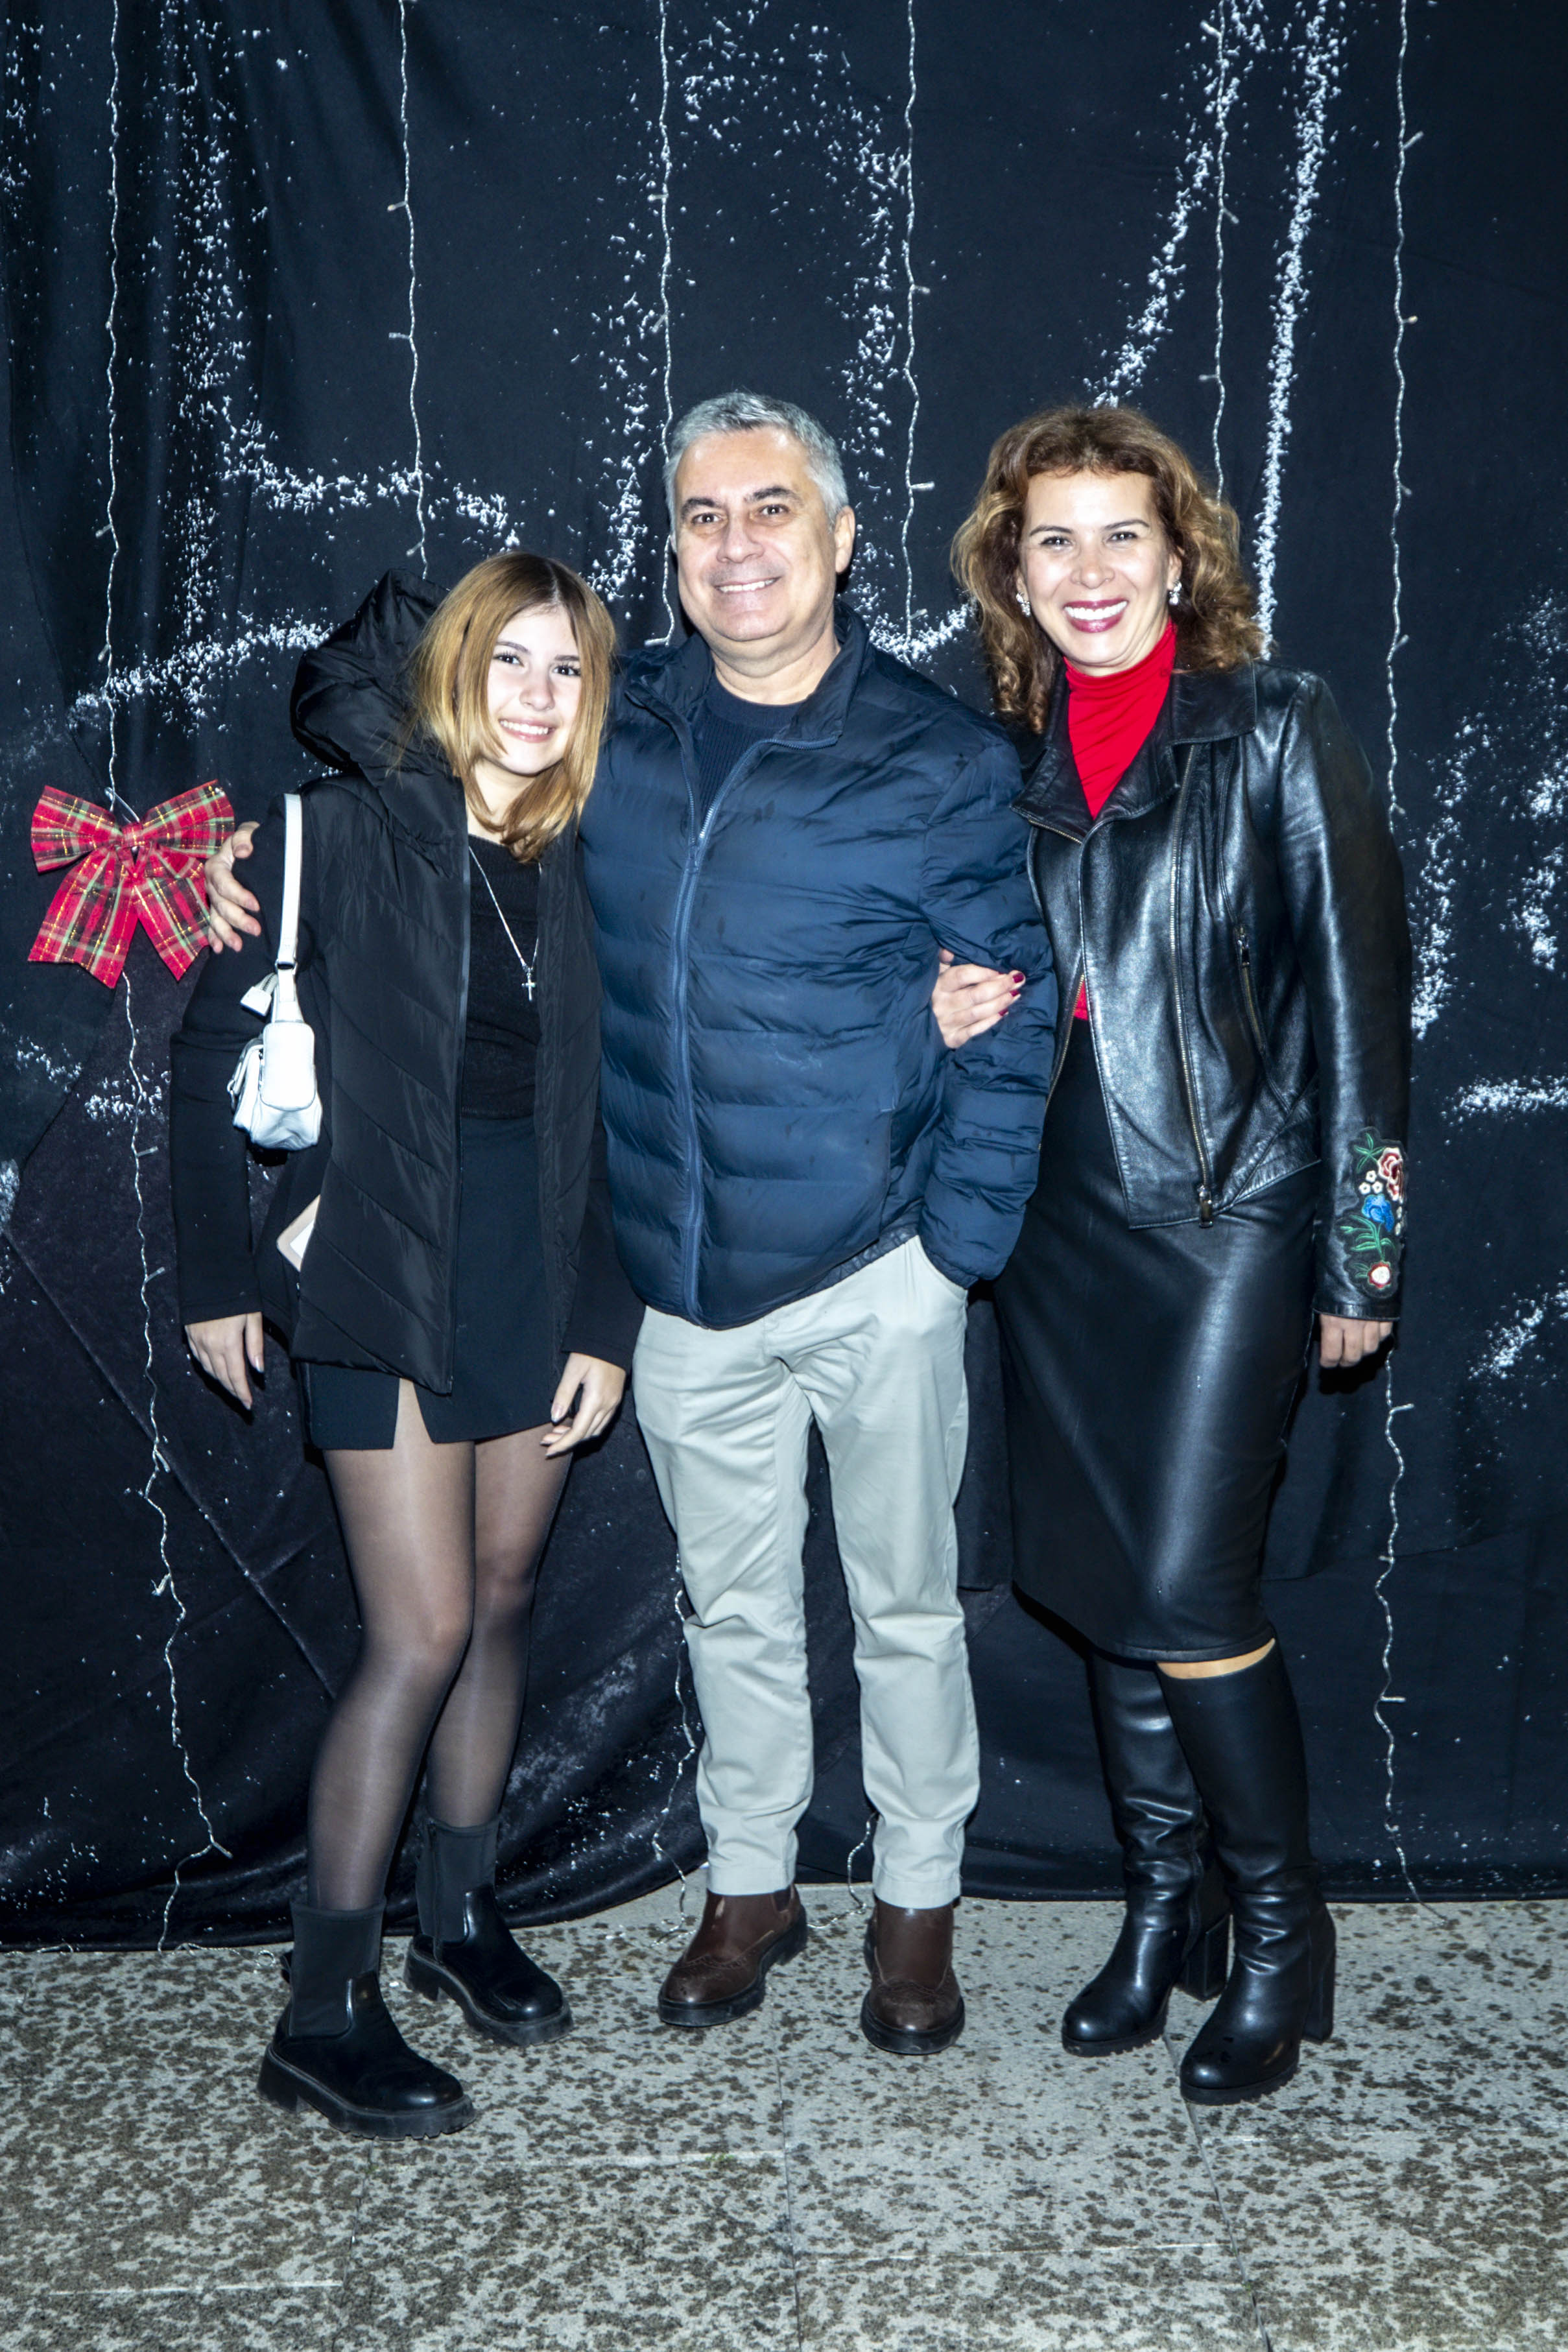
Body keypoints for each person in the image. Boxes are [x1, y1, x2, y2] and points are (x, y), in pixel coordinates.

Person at [939, 403, 1410, 2104]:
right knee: (1103, 1588)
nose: (1089, 570)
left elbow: (1365, 1008)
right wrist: (946, 1006)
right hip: (1054, 1230)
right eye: (1051, 539)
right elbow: (992, 975)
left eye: (1120, 534)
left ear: (1178, 555)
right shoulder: (998, 760)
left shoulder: (1278, 723)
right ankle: (1160, 1909)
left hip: (1232, 1218)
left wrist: (1365, 1260)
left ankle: (1280, 1936)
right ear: (1014, 570)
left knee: (1193, 1591)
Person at [586, 391, 1055, 2054]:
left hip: (879, 1270)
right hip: (685, 1281)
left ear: (845, 539)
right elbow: (422, 756)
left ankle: (918, 1901)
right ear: (673, 549)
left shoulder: (937, 758)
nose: (737, 546)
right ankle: (751, 1882)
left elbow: (1015, 1008)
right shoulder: (614, 723)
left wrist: (954, 1254)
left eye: (772, 508)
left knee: (906, 1605)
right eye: (703, 515)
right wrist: (258, 857)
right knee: (731, 1610)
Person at [171, 554, 642, 2138]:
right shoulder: (330, 832)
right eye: (508, 659)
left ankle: (459, 1914)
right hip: (375, 1264)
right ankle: (322, 2010)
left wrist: (604, 1315)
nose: (536, 694)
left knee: (503, 1597)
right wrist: (215, 1278)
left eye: (565, 668)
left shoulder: (581, 862)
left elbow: (611, 1116)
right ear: (452, 670)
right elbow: (209, 1045)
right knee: (422, 1628)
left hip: (536, 1267)